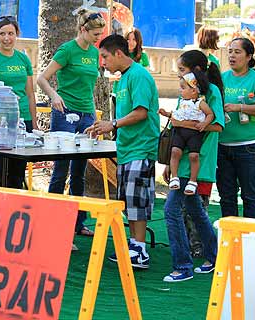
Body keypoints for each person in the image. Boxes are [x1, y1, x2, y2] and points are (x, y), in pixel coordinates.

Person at [87, 34, 159, 269]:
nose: (103, 63)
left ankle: (139, 251)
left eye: (105, 57)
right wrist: (104, 125)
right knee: (129, 202)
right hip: (127, 148)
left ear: (119, 53)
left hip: (141, 148)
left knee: (136, 202)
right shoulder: (124, 78)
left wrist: (113, 124)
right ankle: (134, 247)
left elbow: (141, 112)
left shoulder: (139, 76)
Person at [37, 9, 105, 238]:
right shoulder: (67, 50)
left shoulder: (94, 54)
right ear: (83, 29)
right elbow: (42, 78)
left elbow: (89, 84)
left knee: (80, 172)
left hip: (87, 115)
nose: (98, 37)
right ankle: (52, 220)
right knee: (61, 169)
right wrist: (54, 96)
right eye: (95, 33)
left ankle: (78, 223)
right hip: (65, 114)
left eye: (100, 34)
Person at [160, 49, 224, 282]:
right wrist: (170, 162)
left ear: (196, 72)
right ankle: (216, 256)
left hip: (198, 160)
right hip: (182, 162)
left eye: (183, 71)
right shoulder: (185, 92)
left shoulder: (211, 92)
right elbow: (179, 125)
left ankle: (183, 266)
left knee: (171, 210)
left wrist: (184, 123)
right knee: (196, 211)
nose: (180, 77)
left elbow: (216, 125)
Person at [0, 16, 37, 188]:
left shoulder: (23, 59)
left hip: (22, 121)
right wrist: (2, 98)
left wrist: (34, 123)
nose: (6, 38)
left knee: (18, 173)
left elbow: (30, 93)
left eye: (11, 33)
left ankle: (15, 211)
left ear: (17, 34)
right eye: (2, 33)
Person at [217, 37, 255, 219]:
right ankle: (229, 240)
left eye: (237, 52)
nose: (232, 56)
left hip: (249, 148)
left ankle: (251, 239)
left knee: (250, 196)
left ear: (249, 56)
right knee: (226, 197)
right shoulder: (222, 78)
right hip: (222, 146)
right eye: (230, 52)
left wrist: (240, 107)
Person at [158, 72, 214, 195]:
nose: (180, 90)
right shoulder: (182, 102)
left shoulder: (200, 103)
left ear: (194, 91)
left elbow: (210, 114)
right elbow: (177, 115)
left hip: (194, 133)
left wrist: (204, 123)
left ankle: (193, 181)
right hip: (180, 132)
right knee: (175, 152)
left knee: (193, 156)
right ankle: (175, 177)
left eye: (183, 88)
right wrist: (166, 113)